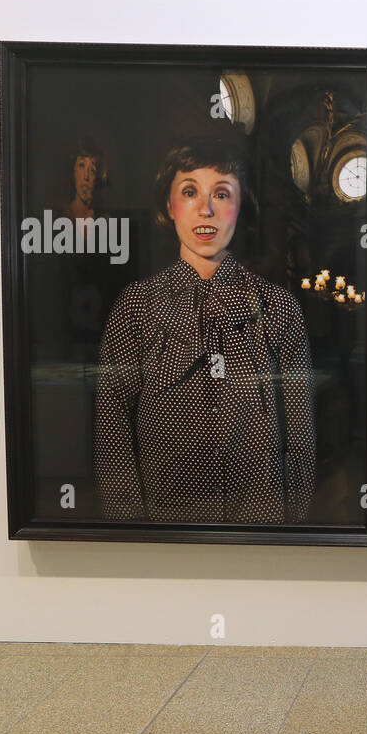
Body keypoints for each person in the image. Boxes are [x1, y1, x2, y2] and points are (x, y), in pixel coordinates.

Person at [94, 136, 316, 523]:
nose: (206, 209)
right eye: (190, 191)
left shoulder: (278, 308)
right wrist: (129, 525)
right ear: (169, 204)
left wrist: (291, 521)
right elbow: (113, 426)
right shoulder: (136, 307)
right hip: (166, 525)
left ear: (239, 205)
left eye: (222, 194)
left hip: (259, 522)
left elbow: (298, 425)